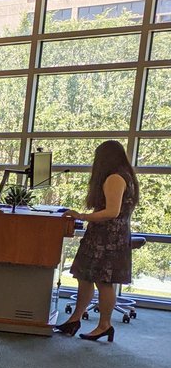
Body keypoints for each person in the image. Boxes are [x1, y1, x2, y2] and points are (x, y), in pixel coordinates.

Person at [57, 140, 140, 343]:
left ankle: (104, 325)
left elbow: (112, 212)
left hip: (107, 239)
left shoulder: (114, 178)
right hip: (103, 237)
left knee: (104, 282)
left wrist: (82, 216)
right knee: (84, 277)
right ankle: (74, 319)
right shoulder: (126, 176)